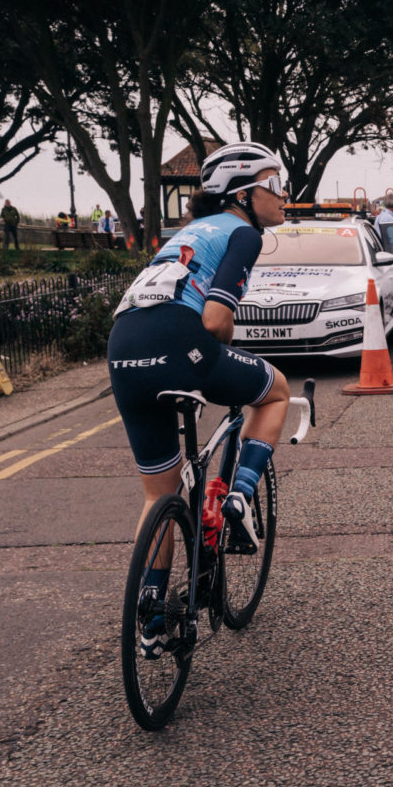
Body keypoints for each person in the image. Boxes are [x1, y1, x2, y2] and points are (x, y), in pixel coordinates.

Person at [107, 142, 293, 656]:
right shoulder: (243, 233)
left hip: (122, 347)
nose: (284, 196)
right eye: (275, 185)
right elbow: (214, 320)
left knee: (157, 495)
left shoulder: (185, 233)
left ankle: (149, 613)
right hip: (177, 343)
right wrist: (226, 351)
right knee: (275, 392)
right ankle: (239, 495)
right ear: (244, 192)